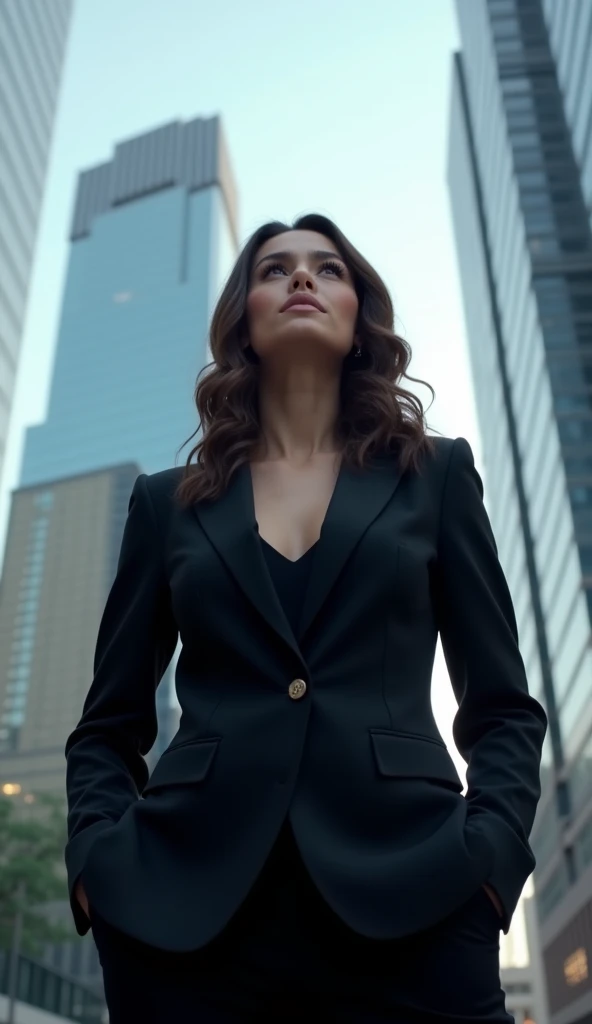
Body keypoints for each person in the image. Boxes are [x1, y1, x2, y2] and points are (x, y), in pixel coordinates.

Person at [65, 213, 547, 1023]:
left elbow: (502, 707)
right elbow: (108, 726)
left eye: (327, 269)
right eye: (274, 269)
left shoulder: (435, 476)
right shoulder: (167, 506)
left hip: (414, 897)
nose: (300, 279)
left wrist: (488, 864)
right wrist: (98, 868)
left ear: (360, 317)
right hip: (186, 917)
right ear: (243, 319)